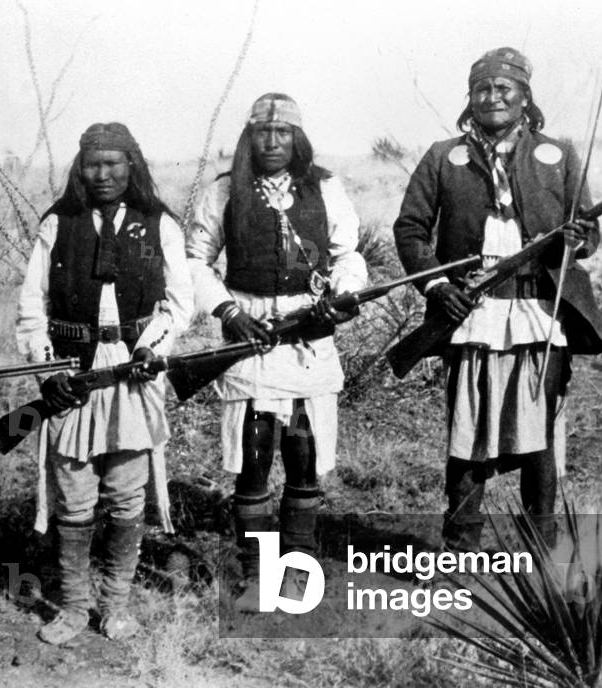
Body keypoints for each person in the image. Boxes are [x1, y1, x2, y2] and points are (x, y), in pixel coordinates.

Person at [393, 48, 602, 550]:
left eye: (503, 88)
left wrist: (576, 239)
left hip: (539, 315)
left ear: (524, 97)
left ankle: (541, 551)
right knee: (467, 436)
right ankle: (460, 548)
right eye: (482, 89)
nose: (492, 97)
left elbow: (589, 231)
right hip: (471, 317)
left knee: (540, 438)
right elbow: (410, 229)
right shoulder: (443, 157)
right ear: (470, 98)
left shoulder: (558, 155)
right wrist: (438, 287)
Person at [187, 93, 367, 611]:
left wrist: (340, 298)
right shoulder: (225, 190)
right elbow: (195, 259)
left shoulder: (325, 187)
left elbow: (348, 255)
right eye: (263, 132)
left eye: (282, 132)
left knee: (303, 453)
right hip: (250, 339)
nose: (272, 141)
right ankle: (255, 573)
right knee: (254, 454)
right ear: (250, 136)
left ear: (296, 138)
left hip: (307, 339)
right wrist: (228, 311)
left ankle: (299, 571)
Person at [16, 122, 192, 643]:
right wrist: (49, 369)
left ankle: (115, 605)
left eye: (113, 163)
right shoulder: (58, 223)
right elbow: (31, 305)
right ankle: (73, 608)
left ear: (131, 165)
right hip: (72, 373)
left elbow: (180, 303)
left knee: (125, 492)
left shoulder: (159, 224)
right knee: (73, 494)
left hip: (133, 375)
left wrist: (152, 348)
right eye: (93, 164)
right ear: (80, 168)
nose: (103, 174)